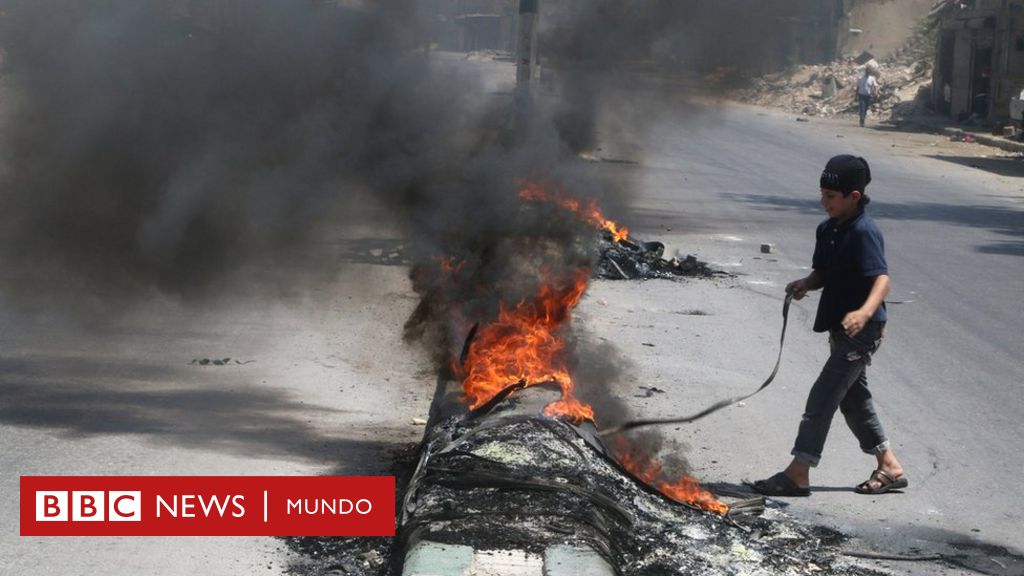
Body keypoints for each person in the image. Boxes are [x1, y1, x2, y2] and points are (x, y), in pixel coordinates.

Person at [752, 155, 907, 497]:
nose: (824, 202)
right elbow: (824, 271)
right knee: (854, 401)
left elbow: (881, 280)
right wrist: (806, 283)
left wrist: (864, 313)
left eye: (831, 197)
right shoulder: (828, 229)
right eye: (822, 194)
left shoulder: (864, 232)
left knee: (822, 397)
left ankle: (798, 472)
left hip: (862, 332)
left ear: (854, 196)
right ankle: (890, 466)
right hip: (841, 329)